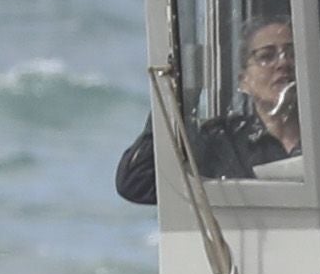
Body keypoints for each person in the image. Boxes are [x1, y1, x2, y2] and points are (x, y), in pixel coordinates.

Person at [111, 19, 302, 204]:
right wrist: (182, 95)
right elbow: (136, 183)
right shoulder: (223, 140)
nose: (283, 64)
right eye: (266, 56)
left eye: (292, 54)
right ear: (244, 80)